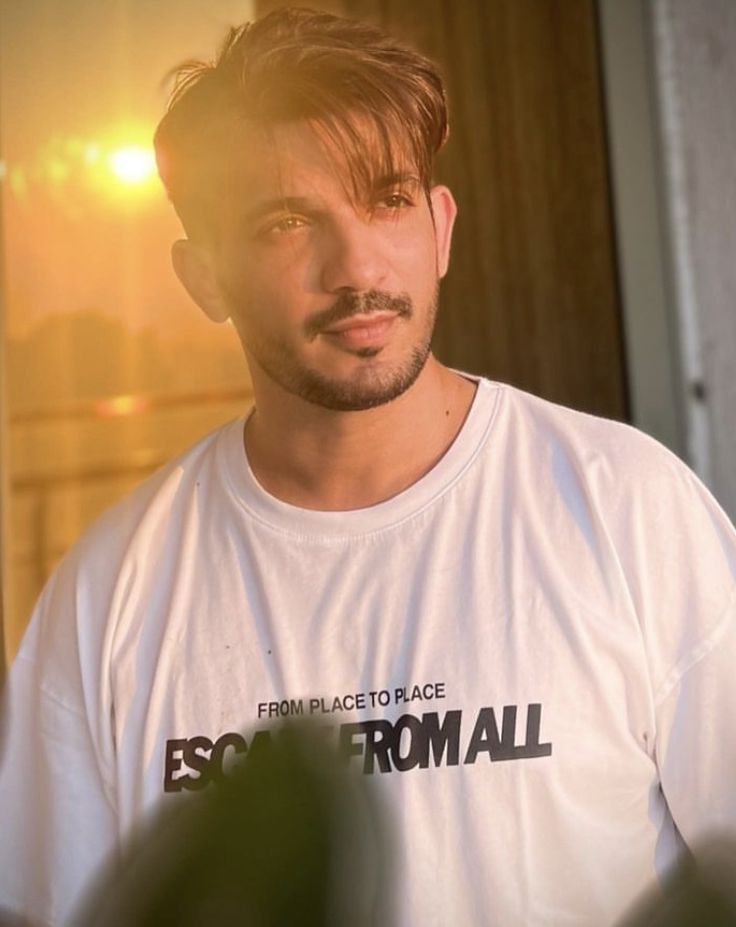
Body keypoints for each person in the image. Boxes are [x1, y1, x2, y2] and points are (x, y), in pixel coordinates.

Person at [1, 7, 735, 926]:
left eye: (387, 199)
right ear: (205, 278)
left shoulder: (630, 506)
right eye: (286, 221)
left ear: (440, 226)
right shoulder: (109, 593)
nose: (356, 265)